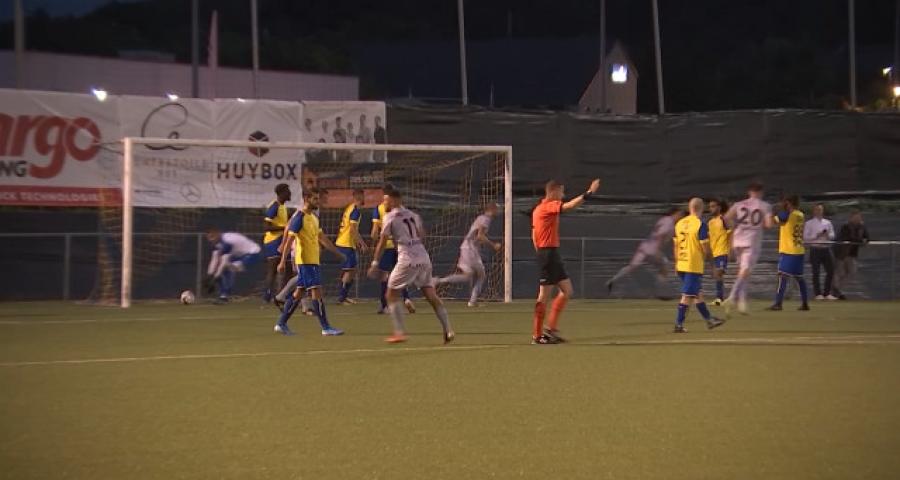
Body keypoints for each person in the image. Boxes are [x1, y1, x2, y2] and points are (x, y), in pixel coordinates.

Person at [367, 189, 454, 344]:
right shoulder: (414, 215)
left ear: (395, 200)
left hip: (407, 258)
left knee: (390, 294)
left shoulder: (389, 217)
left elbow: (382, 242)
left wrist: (374, 263)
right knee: (430, 294)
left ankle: (399, 332)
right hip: (423, 256)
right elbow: (422, 235)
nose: (384, 203)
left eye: (387, 200)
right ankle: (448, 329)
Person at [531, 177, 601, 345]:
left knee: (567, 291)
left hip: (550, 253)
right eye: (561, 192)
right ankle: (537, 335)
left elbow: (533, 234)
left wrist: (540, 251)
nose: (562, 195)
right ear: (554, 191)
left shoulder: (539, 209)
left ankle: (550, 329)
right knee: (544, 295)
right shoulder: (547, 206)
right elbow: (569, 206)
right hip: (548, 253)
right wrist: (589, 193)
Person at [274, 188, 346, 336]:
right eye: (315, 199)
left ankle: (281, 323)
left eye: (318, 198)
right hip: (305, 261)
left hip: (313, 261)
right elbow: (289, 240)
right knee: (317, 291)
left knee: (299, 292)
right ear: (306, 199)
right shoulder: (299, 217)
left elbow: (322, 238)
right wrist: (282, 261)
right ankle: (326, 327)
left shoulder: (313, 217)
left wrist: (337, 253)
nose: (318, 201)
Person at [672, 198, 726, 333]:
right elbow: (706, 249)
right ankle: (678, 324)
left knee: (697, 293)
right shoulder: (700, 225)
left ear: (690, 208)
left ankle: (710, 320)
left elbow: (676, 246)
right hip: (692, 265)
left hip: (681, 264)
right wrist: (713, 265)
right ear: (701, 208)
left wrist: (676, 263)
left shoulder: (679, 224)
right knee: (687, 296)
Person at [606, 207, 684, 298]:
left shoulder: (664, 219)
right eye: (680, 214)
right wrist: (662, 242)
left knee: (632, 266)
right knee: (665, 265)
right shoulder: (669, 222)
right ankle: (660, 292)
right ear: (675, 213)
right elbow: (661, 232)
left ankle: (612, 280)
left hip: (645, 246)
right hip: (653, 248)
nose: (680, 216)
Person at [436, 203, 502, 307]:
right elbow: (480, 236)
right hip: (470, 250)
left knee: (467, 276)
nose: (498, 212)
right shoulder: (486, 219)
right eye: (497, 209)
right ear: (492, 209)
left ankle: (438, 281)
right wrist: (493, 245)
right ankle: (472, 301)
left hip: (466, 248)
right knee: (481, 275)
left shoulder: (481, 217)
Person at [723, 182, 774, 315]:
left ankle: (742, 302)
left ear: (749, 192)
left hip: (738, 238)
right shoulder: (765, 206)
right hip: (752, 240)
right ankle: (732, 297)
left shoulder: (739, 204)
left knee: (743, 271)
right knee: (745, 270)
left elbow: (726, 217)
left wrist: (735, 226)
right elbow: (769, 225)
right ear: (761, 192)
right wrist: (765, 221)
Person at [371, 187, 415, 314]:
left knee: (384, 275)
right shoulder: (402, 210)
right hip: (401, 247)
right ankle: (406, 298)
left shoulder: (379, 209)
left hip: (387, 246)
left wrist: (374, 238)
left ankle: (385, 305)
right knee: (402, 274)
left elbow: (374, 231)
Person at [767, 195, 810, 311]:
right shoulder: (800, 214)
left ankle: (778, 303)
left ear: (789, 203)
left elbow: (773, 222)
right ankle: (805, 303)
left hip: (789, 251)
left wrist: (772, 211)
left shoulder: (787, 214)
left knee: (783, 276)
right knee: (799, 278)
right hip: (799, 250)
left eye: (786, 203)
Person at [204, 229, 262, 303]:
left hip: (253, 253)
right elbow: (214, 259)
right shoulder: (217, 243)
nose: (211, 240)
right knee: (224, 269)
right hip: (239, 255)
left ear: (218, 234)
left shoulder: (227, 242)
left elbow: (224, 262)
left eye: (212, 237)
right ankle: (223, 296)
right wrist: (209, 275)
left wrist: (214, 279)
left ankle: (225, 295)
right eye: (209, 238)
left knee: (228, 268)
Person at [335, 189, 368, 305]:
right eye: (363, 196)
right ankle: (342, 298)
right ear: (359, 197)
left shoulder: (350, 208)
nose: (364, 199)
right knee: (350, 271)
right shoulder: (355, 211)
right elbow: (353, 230)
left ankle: (344, 296)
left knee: (351, 270)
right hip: (346, 244)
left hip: (345, 243)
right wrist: (362, 244)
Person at [262, 183, 292, 303]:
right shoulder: (274, 206)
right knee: (273, 270)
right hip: (273, 241)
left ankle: (282, 295)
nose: (290, 193)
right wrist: (284, 228)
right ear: (282, 193)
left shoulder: (283, 207)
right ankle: (267, 296)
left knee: (289, 269)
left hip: (282, 241)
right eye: (288, 191)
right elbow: (266, 227)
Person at [831, 211, 870, 300]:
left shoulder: (862, 227)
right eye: (855, 217)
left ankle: (838, 289)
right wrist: (860, 240)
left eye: (858, 217)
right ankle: (835, 290)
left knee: (852, 272)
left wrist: (864, 240)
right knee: (840, 272)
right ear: (851, 218)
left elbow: (867, 237)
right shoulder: (845, 226)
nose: (857, 219)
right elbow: (848, 238)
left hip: (852, 254)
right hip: (842, 253)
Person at [803, 204, 836, 300]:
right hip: (815, 249)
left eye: (820, 210)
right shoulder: (809, 223)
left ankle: (827, 293)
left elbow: (833, 235)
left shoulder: (828, 223)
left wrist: (827, 235)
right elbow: (805, 237)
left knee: (831, 270)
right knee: (816, 272)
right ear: (814, 211)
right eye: (817, 210)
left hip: (826, 248)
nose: (819, 212)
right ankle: (818, 293)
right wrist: (816, 236)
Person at [707, 198, 731, 305]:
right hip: (714, 253)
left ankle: (720, 298)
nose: (711, 208)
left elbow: (731, 233)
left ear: (719, 207)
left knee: (719, 272)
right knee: (717, 275)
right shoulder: (710, 222)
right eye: (710, 206)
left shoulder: (723, 219)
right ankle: (720, 298)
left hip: (722, 251)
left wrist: (731, 249)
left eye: (713, 206)